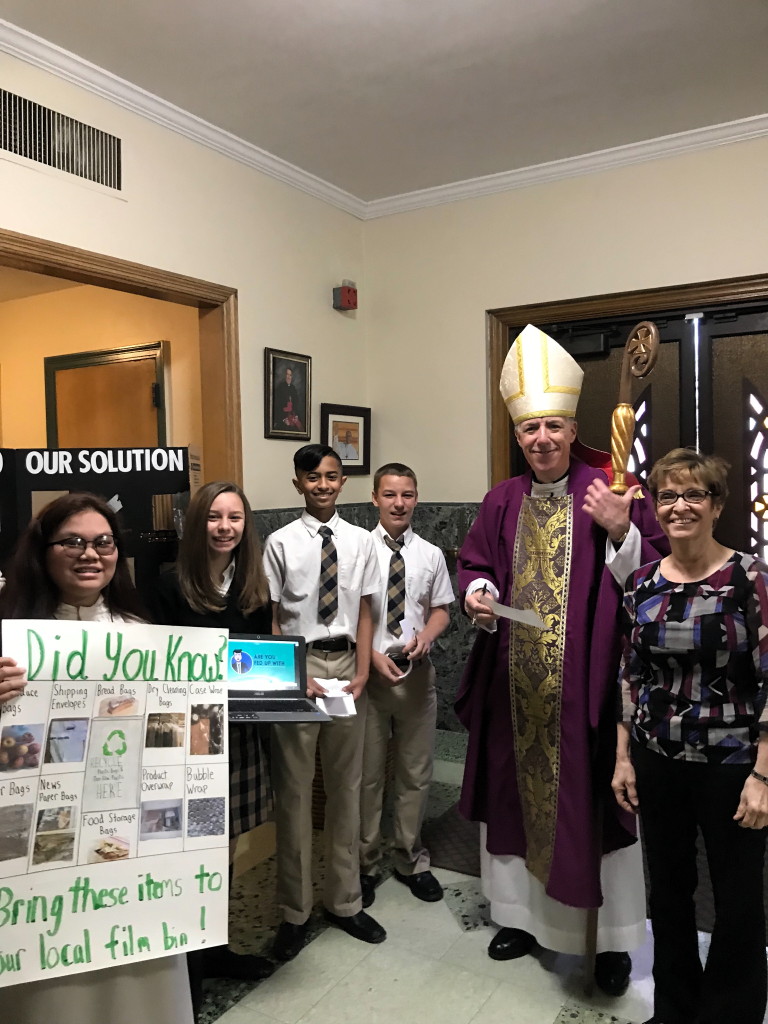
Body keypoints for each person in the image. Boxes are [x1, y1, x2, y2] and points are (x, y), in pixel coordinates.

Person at [456, 324, 667, 995]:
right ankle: (519, 918)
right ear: (517, 437)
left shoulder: (611, 485)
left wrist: (622, 530)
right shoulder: (502, 499)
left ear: (572, 426)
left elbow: (660, 577)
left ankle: (607, 941)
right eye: (528, 430)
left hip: (592, 688)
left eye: (552, 426)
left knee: (594, 809)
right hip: (515, 691)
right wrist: (478, 595)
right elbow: (475, 567)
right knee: (514, 803)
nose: (540, 439)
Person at [0, 492, 194, 1024]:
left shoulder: (145, 636)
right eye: (73, 542)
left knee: (140, 972)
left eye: (103, 542)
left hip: (131, 838)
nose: (90, 554)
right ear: (42, 552)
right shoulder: (8, 641)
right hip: (44, 850)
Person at [612, 449, 768, 1024]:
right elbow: (631, 673)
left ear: (717, 505)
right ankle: (675, 1009)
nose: (679, 506)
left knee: (738, 897)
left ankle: (731, 1013)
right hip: (658, 759)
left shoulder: (750, 580)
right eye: (667, 496)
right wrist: (624, 758)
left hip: (733, 764)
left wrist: (764, 774)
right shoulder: (641, 582)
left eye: (693, 495)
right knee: (670, 892)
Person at [148, 481, 275, 1008]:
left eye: (236, 518)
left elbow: (262, 654)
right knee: (188, 848)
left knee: (222, 847)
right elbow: (156, 661)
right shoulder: (168, 582)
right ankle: (186, 963)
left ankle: (216, 946)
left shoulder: (252, 583)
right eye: (214, 517)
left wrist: (288, 686)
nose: (225, 527)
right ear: (197, 522)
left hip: (239, 728)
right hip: (189, 732)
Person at [263, 443, 386, 959]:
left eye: (332, 476)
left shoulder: (361, 542)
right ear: (297, 483)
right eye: (312, 477)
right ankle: (294, 910)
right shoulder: (279, 542)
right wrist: (291, 677)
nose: (323, 485)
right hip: (300, 668)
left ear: (343, 482)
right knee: (293, 790)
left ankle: (345, 899)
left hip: (345, 672)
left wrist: (361, 671)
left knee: (346, 785)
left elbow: (364, 610)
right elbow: (271, 617)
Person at [359, 462, 454, 905]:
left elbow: (441, 609)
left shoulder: (430, 554)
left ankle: (409, 856)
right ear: (375, 498)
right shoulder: (358, 550)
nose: (399, 503)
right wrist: (369, 656)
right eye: (390, 494)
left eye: (408, 495)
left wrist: (426, 638)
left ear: (417, 498)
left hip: (416, 676)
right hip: (369, 676)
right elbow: (345, 613)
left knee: (415, 774)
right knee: (367, 774)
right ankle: (364, 861)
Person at [273, 365, 303, 431]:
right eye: (287, 374)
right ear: (285, 375)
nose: (288, 377)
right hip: (282, 416)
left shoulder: (293, 388)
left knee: (299, 428)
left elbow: (296, 404)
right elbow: (277, 406)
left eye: (290, 375)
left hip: (292, 415)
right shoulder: (279, 388)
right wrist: (283, 419)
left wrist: (296, 416)